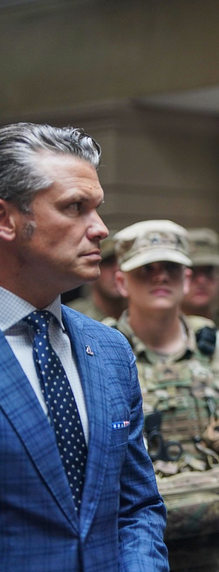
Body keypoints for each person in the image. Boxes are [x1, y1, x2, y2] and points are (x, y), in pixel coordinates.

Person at [0, 122, 168, 570]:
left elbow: (137, 507)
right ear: (6, 220)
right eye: (75, 208)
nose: (100, 230)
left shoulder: (109, 348)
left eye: (96, 208)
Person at [108, 219, 219, 572]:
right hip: (133, 546)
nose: (159, 278)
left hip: (216, 548)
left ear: (186, 277)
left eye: (170, 268)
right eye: (145, 270)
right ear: (121, 281)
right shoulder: (100, 352)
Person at [69, 232, 127, 321]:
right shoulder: (73, 317)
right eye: (108, 263)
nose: (117, 269)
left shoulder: (143, 313)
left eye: (122, 262)